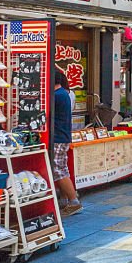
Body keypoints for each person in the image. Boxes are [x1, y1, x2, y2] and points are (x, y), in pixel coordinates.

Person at [52, 73, 82, 216]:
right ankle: (65, 199)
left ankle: (73, 201)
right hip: (63, 136)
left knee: (58, 170)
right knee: (62, 168)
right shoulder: (64, 94)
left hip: (58, 137)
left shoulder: (57, 96)